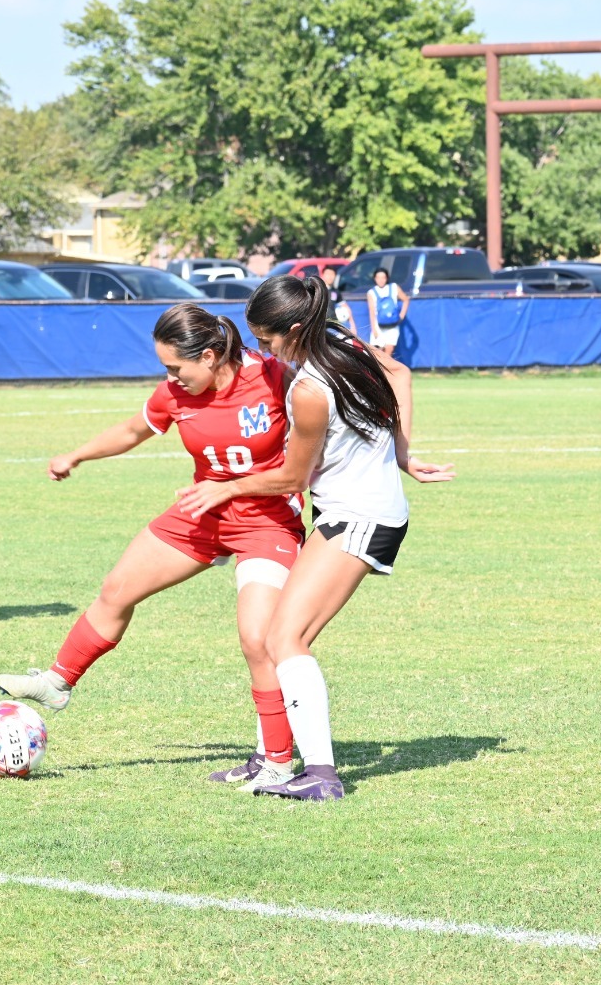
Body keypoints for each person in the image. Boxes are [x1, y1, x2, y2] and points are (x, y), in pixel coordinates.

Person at [0, 303, 306, 792]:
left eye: (176, 368)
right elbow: (132, 431)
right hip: (201, 511)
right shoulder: (177, 393)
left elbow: (335, 411)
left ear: (209, 355)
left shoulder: (275, 378)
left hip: (267, 522)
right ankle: (57, 683)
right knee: (117, 589)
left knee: (258, 639)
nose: (171, 378)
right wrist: (76, 455)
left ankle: (279, 763)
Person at [178, 273, 454, 801]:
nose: (263, 350)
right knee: (272, 637)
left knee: (285, 639)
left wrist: (222, 489)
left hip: (360, 518)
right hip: (349, 513)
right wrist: (399, 452)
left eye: (269, 339)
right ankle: (272, 759)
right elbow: (400, 373)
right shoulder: (342, 340)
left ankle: (322, 777)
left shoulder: (308, 390)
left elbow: (289, 479)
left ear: (298, 327)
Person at [365, 267, 410, 355]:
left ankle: (386, 369)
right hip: (379, 325)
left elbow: (406, 299)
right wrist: (374, 329)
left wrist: (401, 315)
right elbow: (372, 311)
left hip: (392, 324)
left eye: (383, 277)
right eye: (378, 277)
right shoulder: (371, 292)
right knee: (378, 353)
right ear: (375, 279)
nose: (381, 280)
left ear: (387, 278)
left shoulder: (394, 287)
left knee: (389, 351)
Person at [323, 265, 358, 338]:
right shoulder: (318, 290)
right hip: (320, 324)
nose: (330, 277)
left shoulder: (335, 292)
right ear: (323, 275)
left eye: (332, 274)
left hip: (333, 324)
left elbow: (345, 307)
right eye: (328, 274)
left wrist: (352, 325)